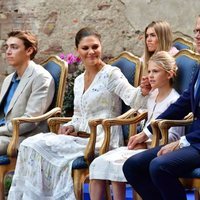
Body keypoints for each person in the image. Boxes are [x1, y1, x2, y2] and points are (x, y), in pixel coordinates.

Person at [8, 27, 150, 200]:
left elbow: (134, 99)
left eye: (95, 47)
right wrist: (69, 126)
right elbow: (78, 114)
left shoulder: (111, 74)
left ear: (101, 47)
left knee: (35, 146)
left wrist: (142, 90)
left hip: (102, 138)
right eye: (85, 48)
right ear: (77, 50)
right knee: (29, 144)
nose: (91, 52)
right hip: (80, 137)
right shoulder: (78, 80)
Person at [89, 51, 185, 200]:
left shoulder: (174, 100)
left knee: (119, 164)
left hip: (157, 149)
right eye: (149, 71)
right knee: (99, 162)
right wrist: (143, 92)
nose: (151, 75)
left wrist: (145, 143)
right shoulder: (152, 96)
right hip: (143, 146)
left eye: (156, 71)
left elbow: (173, 138)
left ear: (169, 74)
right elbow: (136, 105)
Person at [123, 29, 200, 200]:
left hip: (197, 143)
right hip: (194, 142)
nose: (197, 35)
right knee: (132, 166)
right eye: (195, 30)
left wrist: (181, 142)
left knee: (159, 166)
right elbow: (182, 105)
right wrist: (147, 131)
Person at [0, 30, 55, 155]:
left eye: (14, 47)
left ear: (29, 51)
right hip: (4, 132)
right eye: (7, 47)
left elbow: (30, 122)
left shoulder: (41, 77)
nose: (8, 52)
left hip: (21, 137)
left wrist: (1, 130)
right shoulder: (9, 79)